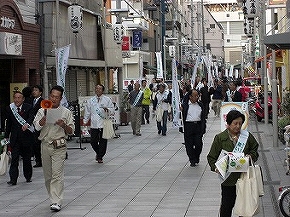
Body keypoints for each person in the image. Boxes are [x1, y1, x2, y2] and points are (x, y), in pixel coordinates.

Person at [207, 110, 259, 217]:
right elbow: (211, 157)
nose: (238, 126)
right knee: (227, 206)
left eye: (240, 123)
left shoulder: (247, 136)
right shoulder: (220, 138)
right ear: (229, 123)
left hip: (244, 177)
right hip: (228, 180)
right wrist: (215, 168)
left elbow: (255, 150)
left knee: (244, 206)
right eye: (235, 123)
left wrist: (251, 156)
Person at [33, 85, 75, 211]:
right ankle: (53, 197)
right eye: (52, 96)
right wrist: (42, 121)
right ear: (49, 96)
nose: (54, 99)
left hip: (59, 146)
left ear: (61, 98)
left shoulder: (66, 112)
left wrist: (64, 125)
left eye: (57, 97)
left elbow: (72, 131)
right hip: (45, 145)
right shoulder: (42, 110)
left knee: (57, 175)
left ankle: (56, 201)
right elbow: (36, 127)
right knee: (48, 176)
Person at [4, 91, 35, 185]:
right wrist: (6, 136)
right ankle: (13, 179)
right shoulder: (10, 108)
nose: (17, 100)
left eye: (19, 98)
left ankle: (28, 176)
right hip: (15, 138)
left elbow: (31, 117)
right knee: (14, 159)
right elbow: (8, 123)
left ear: (23, 99)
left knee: (26, 159)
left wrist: (27, 124)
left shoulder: (28, 107)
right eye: (15, 98)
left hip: (26, 138)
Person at [83, 84, 114, 163]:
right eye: (96, 88)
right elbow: (87, 112)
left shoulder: (107, 99)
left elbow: (112, 110)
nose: (98, 90)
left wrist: (107, 109)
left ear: (102, 90)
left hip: (104, 122)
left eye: (100, 89)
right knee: (93, 141)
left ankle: (100, 156)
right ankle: (98, 152)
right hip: (94, 123)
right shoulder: (91, 100)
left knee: (103, 141)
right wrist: (85, 121)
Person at [181, 89, 206, 166]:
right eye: (195, 96)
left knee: (199, 144)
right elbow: (181, 116)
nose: (196, 97)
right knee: (189, 145)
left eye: (197, 95)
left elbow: (203, 117)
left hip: (197, 126)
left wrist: (203, 126)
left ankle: (196, 156)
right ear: (190, 97)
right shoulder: (185, 105)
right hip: (188, 126)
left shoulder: (200, 105)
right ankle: (192, 159)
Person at [31, 85, 44, 167]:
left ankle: (40, 160)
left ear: (40, 92)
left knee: (38, 143)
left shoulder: (43, 102)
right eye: (33, 90)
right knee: (34, 143)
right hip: (31, 124)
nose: (34, 92)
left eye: (36, 90)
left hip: (39, 124)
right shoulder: (30, 101)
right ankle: (38, 160)